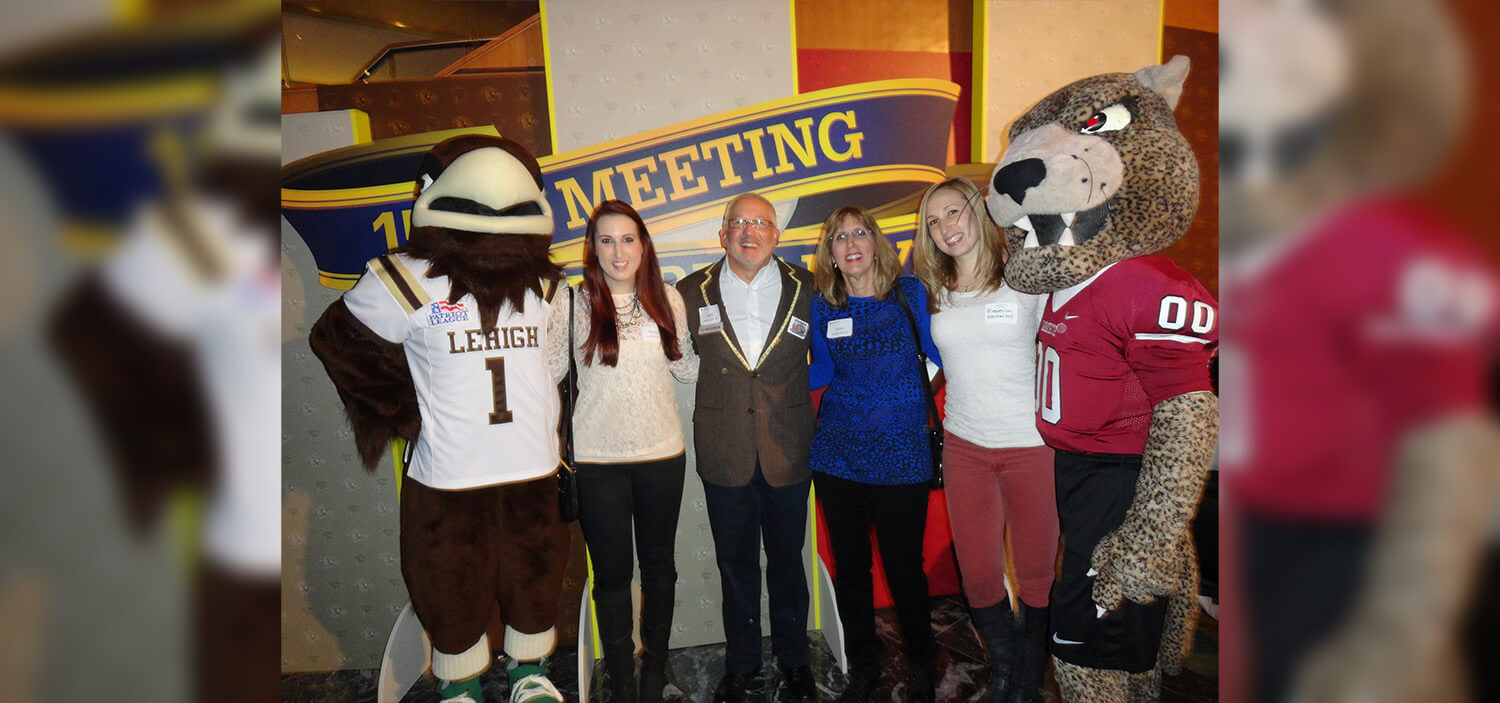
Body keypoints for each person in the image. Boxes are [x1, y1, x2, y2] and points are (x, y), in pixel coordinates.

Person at [912, 178, 1057, 703]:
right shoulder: (936, 291)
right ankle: (1005, 666)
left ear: (979, 213)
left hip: (1030, 447)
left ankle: (1025, 678)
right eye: (933, 221)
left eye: (954, 212)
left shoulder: (1025, 281)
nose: (946, 227)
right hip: (967, 447)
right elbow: (931, 364)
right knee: (978, 579)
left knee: (1037, 576)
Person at [548, 200, 698, 703]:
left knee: (660, 569)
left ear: (643, 246)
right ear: (592, 248)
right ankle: (622, 678)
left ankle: (654, 670)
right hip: (597, 463)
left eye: (628, 239)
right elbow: (547, 376)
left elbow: (686, 371)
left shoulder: (668, 300)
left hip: (662, 455)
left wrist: (716, 344)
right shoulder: (570, 304)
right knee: (612, 576)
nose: (618, 251)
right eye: (606, 240)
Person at [676, 193, 818, 703]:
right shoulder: (690, 291)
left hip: (788, 448)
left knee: (787, 562)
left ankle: (796, 660)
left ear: (776, 235)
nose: (749, 232)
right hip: (725, 450)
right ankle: (741, 664)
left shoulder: (810, 286)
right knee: (734, 565)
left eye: (761, 223)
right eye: (739, 223)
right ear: (723, 234)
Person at [807, 206, 943, 703]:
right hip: (838, 455)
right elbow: (821, 372)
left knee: (905, 566)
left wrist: (905, 396)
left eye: (859, 232)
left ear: (875, 241)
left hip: (902, 453)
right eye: (839, 237)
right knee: (851, 568)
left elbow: (939, 354)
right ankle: (865, 665)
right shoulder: (825, 305)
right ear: (832, 253)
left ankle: (922, 661)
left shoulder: (909, 294)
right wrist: (761, 387)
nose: (851, 243)